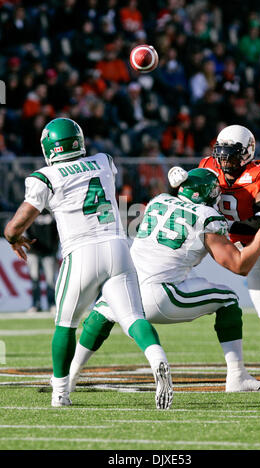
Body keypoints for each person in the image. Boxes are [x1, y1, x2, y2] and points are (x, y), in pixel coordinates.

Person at [4, 117, 173, 410]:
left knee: (65, 324)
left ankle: (60, 394)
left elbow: (16, 224)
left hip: (81, 253)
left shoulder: (46, 176)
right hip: (119, 247)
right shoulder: (103, 161)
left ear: (49, 148)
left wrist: (12, 237)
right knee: (134, 318)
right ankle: (157, 357)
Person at [68, 167, 260, 394]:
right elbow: (240, 265)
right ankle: (237, 376)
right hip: (160, 296)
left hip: (125, 289)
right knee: (229, 299)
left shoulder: (158, 201)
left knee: (102, 312)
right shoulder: (207, 217)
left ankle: (69, 375)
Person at [199, 124, 260, 348]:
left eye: (231, 155)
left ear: (247, 152)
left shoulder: (259, 172)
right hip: (250, 250)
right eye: (221, 155)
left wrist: (221, 225)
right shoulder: (207, 167)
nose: (224, 162)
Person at [25, 209, 59, 313]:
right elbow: (25, 230)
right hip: (33, 252)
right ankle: (36, 304)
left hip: (49, 251)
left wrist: (54, 247)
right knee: (34, 279)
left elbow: (59, 230)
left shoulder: (53, 210)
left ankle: (52, 304)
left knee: (50, 281)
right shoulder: (30, 210)